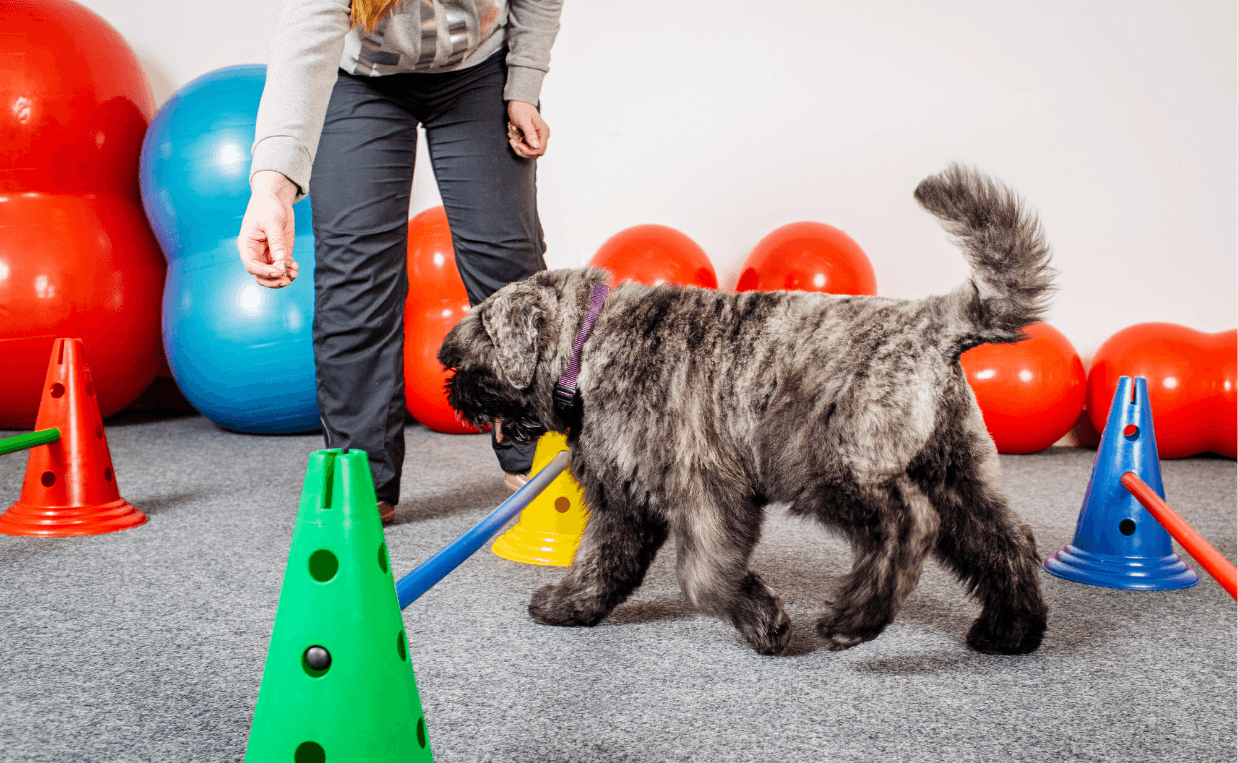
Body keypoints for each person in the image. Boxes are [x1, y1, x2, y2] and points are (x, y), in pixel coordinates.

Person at [238, 0, 563, 524]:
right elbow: (307, 30)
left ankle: (538, 460)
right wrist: (272, 186)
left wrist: (523, 84)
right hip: (358, 78)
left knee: (510, 271)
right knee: (356, 277)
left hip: (478, 69)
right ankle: (362, 476)